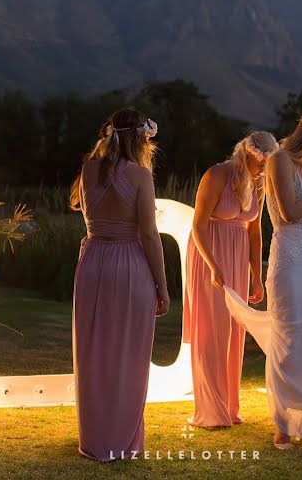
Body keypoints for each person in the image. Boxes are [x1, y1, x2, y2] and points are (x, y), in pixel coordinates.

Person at [224, 108, 302, 452]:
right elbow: (290, 211)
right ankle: (282, 425)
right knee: (288, 337)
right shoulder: (280, 159)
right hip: (290, 256)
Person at [69, 109, 171, 461]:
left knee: (93, 352)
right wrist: (162, 285)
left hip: (93, 262)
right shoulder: (140, 176)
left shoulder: (88, 169)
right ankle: (121, 441)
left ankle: (95, 438)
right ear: (141, 138)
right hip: (129, 265)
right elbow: (148, 234)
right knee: (129, 353)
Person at [183, 131, 278, 429]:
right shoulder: (216, 175)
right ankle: (210, 410)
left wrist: (256, 276)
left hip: (237, 256)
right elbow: (198, 226)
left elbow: (254, 231)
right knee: (211, 330)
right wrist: (213, 265)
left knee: (235, 331)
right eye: (260, 162)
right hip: (209, 252)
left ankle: (228, 406)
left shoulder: (260, 183)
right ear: (247, 154)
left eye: (267, 164)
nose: (263, 169)